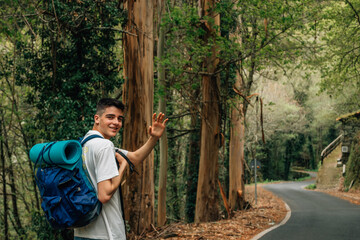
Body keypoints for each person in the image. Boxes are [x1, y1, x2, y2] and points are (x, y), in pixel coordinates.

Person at [74, 98, 168, 240]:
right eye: (110, 117)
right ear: (97, 119)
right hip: (106, 233)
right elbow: (104, 195)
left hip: (82, 232)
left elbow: (134, 158)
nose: (116, 123)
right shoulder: (105, 146)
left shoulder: (83, 144)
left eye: (119, 118)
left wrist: (153, 138)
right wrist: (122, 167)